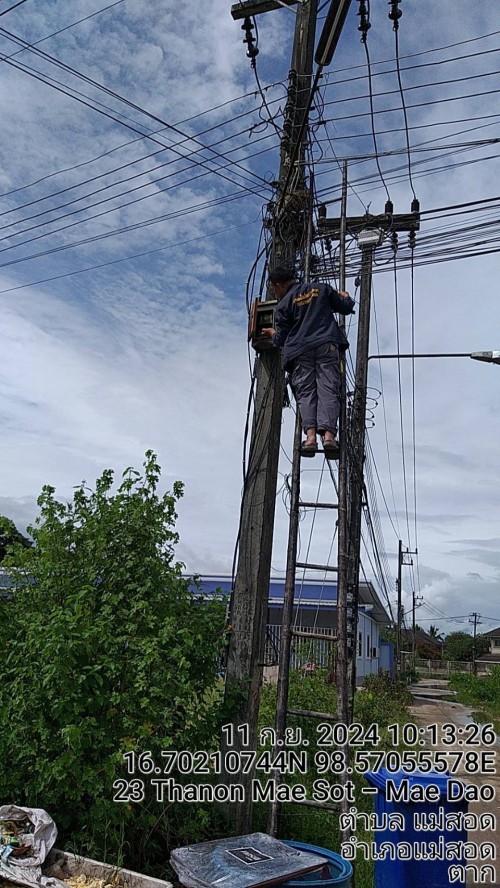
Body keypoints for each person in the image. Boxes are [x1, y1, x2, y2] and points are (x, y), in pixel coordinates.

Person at [261, 265, 355, 457]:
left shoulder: (283, 305)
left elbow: (281, 339)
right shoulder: (321, 289)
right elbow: (345, 308)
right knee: (328, 387)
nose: (275, 293)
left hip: (299, 351)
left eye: (274, 289)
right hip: (326, 344)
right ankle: (329, 437)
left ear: (279, 285)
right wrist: (346, 297)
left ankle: (310, 438)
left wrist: (272, 333)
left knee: (306, 392)